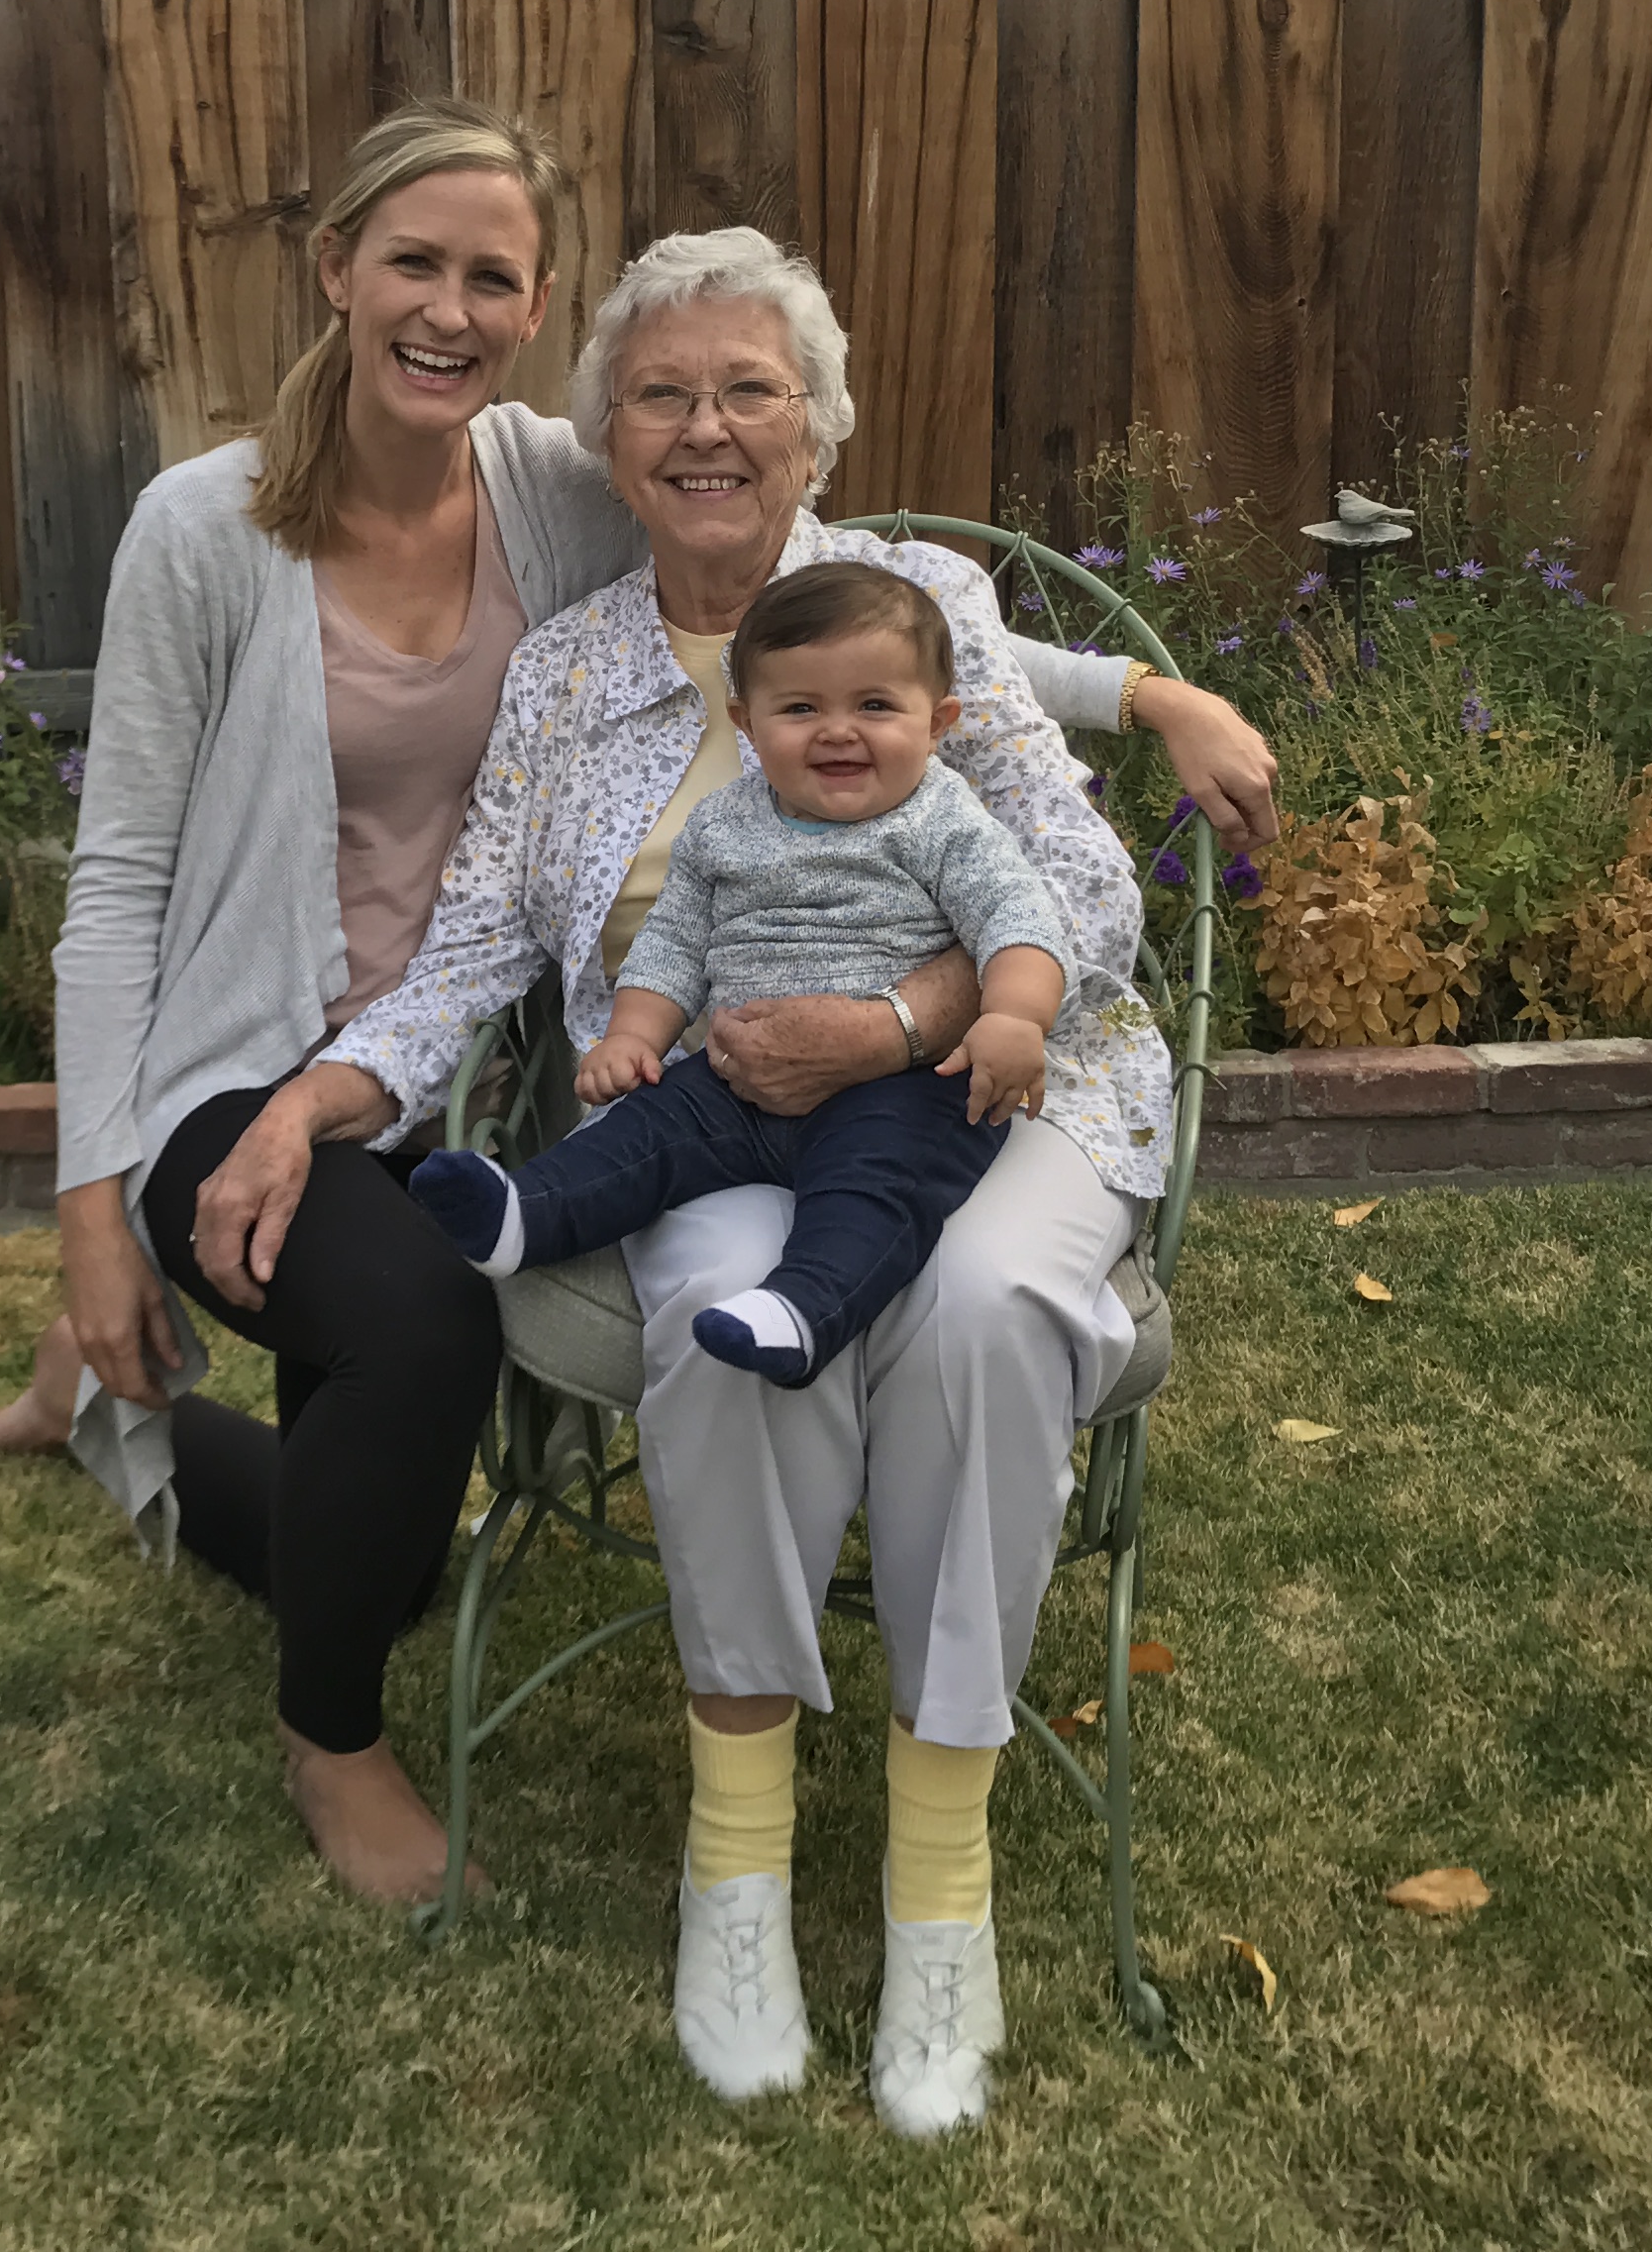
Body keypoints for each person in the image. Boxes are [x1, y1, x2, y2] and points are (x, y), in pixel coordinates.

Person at [0, 118, 1273, 1910]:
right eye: (412, 262)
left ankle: (129, 1421)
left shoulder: (575, 485)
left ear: (534, 308)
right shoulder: (242, 529)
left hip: (638, 1067)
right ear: (334, 267)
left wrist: (1145, 691)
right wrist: (105, 1202)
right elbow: (133, 882)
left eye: (489, 276)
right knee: (421, 1346)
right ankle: (336, 1736)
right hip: (298, 1046)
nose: (448, 309)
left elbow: (884, 621)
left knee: (399, 1509)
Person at [206, 226, 1223, 2135]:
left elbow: (1081, 894)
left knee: (988, 1305)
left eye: (748, 389)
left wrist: (900, 1018)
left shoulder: (926, 599)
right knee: (722, 1317)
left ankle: (939, 1893)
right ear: (608, 438)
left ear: (813, 426)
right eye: (661, 394)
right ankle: (736, 1869)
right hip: (713, 1106)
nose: (704, 428)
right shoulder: (568, 668)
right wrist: (310, 1098)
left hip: (996, 1086)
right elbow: (472, 945)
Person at [409, 560, 1072, 1391]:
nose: (837, 731)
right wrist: (633, 1035)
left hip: (904, 1089)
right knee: (644, 1132)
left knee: (877, 1186)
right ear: (747, 724)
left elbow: (1019, 923)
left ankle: (805, 1307)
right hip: (737, 1076)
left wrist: (1013, 1018)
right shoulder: (723, 822)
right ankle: (524, 1214)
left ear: (937, 722)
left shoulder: (944, 820)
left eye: (875, 705)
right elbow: (673, 941)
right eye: (800, 708)